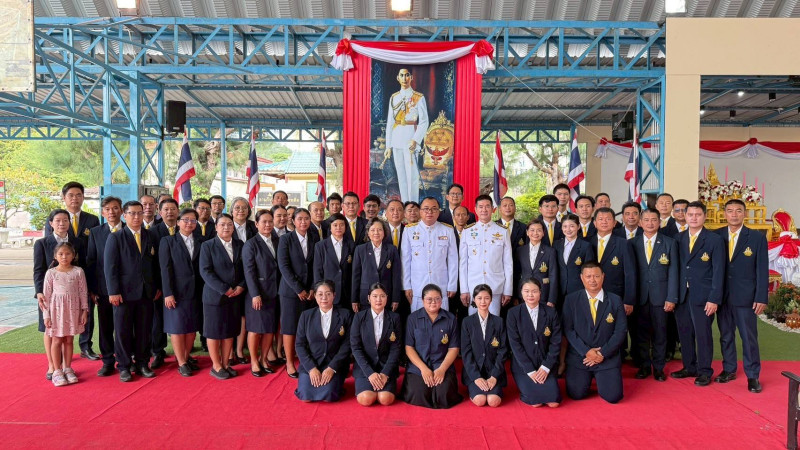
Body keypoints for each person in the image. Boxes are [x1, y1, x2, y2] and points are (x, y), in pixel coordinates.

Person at [715, 199, 768, 393]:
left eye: (738, 211)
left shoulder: (756, 237)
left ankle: (753, 375)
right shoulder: (716, 235)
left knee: (748, 337)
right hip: (722, 296)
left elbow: (762, 269)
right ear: (724, 214)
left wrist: (761, 297)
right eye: (730, 211)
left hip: (746, 296)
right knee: (725, 335)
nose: (734, 214)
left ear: (744, 214)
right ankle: (729, 369)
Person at [104, 201, 161, 382]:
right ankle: (124, 366)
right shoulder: (116, 237)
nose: (136, 217)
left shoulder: (151, 235)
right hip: (123, 294)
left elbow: (156, 265)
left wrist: (157, 287)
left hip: (146, 292)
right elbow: (110, 268)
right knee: (123, 331)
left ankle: (142, 363)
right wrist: (113, 291)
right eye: (132, 213)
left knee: (145, 330)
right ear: (124, 215)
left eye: (139, 213)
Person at [44, 182, 99, 361]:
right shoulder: (55, 218)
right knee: (58, 316)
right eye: (71, 195)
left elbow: (93, 251)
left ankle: (86, 346)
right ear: (64, 197)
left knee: (85, 311)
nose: (75, 198)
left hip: (82, 274)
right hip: (58, 277)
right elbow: (48, 249)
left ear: (83, 197)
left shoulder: (92, 220)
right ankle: (58, 353)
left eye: (78, 195)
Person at [674, 201, 725, 386]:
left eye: (698, 215)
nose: (694, 218)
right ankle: (689, 367)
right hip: (682, 294)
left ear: (705, 216)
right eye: (690, 214)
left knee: (703, 334)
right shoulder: (678, 238)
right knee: (684, 332)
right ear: (685, 216)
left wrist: (714, 298)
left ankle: (704, 371)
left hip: (704, 296)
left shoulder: (714, 240)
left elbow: (719, 271)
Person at [563, 262, 628, 404]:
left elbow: (620, 331)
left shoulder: (615, 300)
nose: (592, 280)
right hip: (581, 357)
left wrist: (602, 353)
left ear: (603, 276)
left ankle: (602, 380)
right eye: (588, 276)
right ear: (581, 278)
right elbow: (568, 330)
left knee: (613, 397)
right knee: (576, 394)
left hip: (606, 357)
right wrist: (586, 351)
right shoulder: (571, 300)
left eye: (596, 276)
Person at [35, 209, 86, 381]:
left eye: (65, 220)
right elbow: (38, 270)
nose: (62, 223)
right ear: (51, 223)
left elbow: (83, 267)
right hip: (50, 296)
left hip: (72, 298)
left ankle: (67, 367)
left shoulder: (77, 242)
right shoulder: (42, 243)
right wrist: (39, 292)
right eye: (58, 220)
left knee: (68, 337)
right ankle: (52, 366)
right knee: (50, 332)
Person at [632, 209, 678, 382]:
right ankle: (644, 366)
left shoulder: (669, 243)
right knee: (641, 334)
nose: (650, 223)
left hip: (661, 297)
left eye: (653, 220)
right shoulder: (632, 243)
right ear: (640, 223)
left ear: (659, 222)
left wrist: (671, 297)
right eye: (646, 220)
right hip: (640, 297)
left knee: (660, 334)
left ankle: (658, 368)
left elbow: (674, 272)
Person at [199, 214, 246, 380]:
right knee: (214, 332)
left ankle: (225, 364)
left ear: (233, 227)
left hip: (235, 296)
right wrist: (224, 289)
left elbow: (245, 269)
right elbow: (205, 271)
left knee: (229, 331)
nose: (226, 227)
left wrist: (241, 285)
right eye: (222, 224)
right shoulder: (207, 246)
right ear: (216, 227)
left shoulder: (240, 244)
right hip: (215, 297)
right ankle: (216, 365)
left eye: (229, 224)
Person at [158, 208, 203, 377]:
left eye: (193, 220)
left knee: (191, 328)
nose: (189, 223)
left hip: (196, 291)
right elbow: (165, 269)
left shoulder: (201, 241)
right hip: (176, 292)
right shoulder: (168, 241)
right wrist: (168, 293)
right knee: (177, 328)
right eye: (186, 220)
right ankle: (182, 363)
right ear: (178, 222)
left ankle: (185, 356)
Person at [402, 284, 462, 409]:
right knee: (418, 393)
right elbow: (409, 348)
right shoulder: (413, 318)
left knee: (443, 394)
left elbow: (454, 348)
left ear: (442, 300)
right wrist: (423, 369)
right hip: (418, 366)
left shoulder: (450, 319)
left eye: (437, 299)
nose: (433, 302)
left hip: (442, 364)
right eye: (429, 299)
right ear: (422, 300)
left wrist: (442, 369)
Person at [294, 280, 353, 403]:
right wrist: (311, 368)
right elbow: (300, 345)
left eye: (328, 294)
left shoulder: (345, 314)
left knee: (329, 395)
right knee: (306, 396)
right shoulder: (306, 316)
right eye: (320, 294)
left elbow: (347, 345)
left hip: (334, 364)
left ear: (334, 295)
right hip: (312, 362)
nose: (324, 298)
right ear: (315, 295)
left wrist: (332, 367)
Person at [507, 278, 562, 407]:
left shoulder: (550, 312)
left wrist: (545, 367)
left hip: (545, 364)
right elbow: (515, 345)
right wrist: (530, 370)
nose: (530, 295)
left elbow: (556, 342)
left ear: (540, 292)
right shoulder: (513, 313)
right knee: (536, 403)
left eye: (534, 291)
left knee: (553, 402)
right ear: (521, 292)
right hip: (524, 366)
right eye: (526, 291)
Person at [592, 207, 637, 364]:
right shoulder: (587, 242)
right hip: (591, 295)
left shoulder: (623, 243)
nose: (604, 222)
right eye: (600, 219)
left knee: (615, 328)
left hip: (615, 295)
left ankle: (617, 360)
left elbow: (630, 274)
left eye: (608, 219)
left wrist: (629, 300)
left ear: (614, 222)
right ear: (594, 223)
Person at [86, 197, 124, 376]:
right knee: (106, 327)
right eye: (107, 209)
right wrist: (93, 290)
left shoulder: (131, 230)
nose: (111, 212)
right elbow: (91, 262)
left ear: (121, 211)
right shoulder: (95, 232)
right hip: (103, 290)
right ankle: (108, 361)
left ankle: (126, 360)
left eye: (115, 208)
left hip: (128, 289)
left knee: (125, 327)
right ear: (102, 212)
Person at [42, 242, 89, 386]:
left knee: (69, 340)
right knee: (57, 340)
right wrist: (46, 315)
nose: (64, 257)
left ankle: (68, 368)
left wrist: (84, 311)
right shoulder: (51, 273)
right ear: (55, 256)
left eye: (68, 254)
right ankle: (57, 370)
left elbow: (83, 292)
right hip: (56, 311)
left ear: (73, 255)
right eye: (61, 254)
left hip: (73, 310)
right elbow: (46, 296)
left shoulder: (78, 271)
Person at [278, 208, 317, 379]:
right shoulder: (285, 239)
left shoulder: (315, 237)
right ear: (293, 221)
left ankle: (306, 361)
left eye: (306, 218)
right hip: (290, 292)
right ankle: (289, 362)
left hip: (310, 292)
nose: (303, 222)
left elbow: (317, 264)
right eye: (299, 219)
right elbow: (284, 266)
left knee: (308, 327)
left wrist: (313, 288)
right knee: (290, 327)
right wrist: (298, 289)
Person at [350, 283, 403, 406]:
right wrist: (370, 373)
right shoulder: (359, 317)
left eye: (382, 296)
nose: (379, 299)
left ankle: (383, 384)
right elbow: (356, 348)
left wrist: (385, 373)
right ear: (369, 298)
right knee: (366, 399)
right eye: (375, 296)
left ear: (387, 298)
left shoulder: (395, 318)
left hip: (386, 367)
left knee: (386, 399)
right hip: (365, 368)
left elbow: (396, 348)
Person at [459, 195, 513, 316]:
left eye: (487, 206)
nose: (484, 210)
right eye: (481, 207)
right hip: (473, 286)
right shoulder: (467, 231)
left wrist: (508, 290)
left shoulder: (503, 231)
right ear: (475, 209)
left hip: (495, 286)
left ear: (493, 209)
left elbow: (508, 263)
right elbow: (463, 264)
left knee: (494, 321)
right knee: (474, 321)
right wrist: (464, 290)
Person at [242, 209, 281, 377]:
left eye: (270, 221)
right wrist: (255, 294)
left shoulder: (278, 240)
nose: (268, 225)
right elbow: (249, 272)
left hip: (275, 293)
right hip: (258, 294)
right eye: (264, 222)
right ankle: (254, 361)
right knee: (255, 329)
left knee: (269, 329)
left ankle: (264, 359)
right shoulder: (251, 244)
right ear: (256, 224)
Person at [402, 197, 458, 312]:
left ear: (439, 212)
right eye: (426, 209)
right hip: (417, 286)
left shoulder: (447, 230)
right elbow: (405, 260)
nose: (429, 212)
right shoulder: (409, 230)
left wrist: (452, 285)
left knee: (442, 319)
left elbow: (453, 260)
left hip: (441, 285)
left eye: (434, 209)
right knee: (419, 319)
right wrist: (406, 286)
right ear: (420, 211)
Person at [385, 68, 429, 203]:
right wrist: (388, 146)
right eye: (402, 75)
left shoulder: (418, 97)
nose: (404, 78)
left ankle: (413, 205)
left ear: (411, 77)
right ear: (398, 78)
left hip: (411, 138)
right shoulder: (394, 97)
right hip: (397, 139)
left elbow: (424, 121)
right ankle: (405, 204)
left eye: (407, 75)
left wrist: (416, 140)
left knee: (412, 176)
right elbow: (390, 122)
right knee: (401, 175)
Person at [460, 285, 507, 407]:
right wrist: (476, 377)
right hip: (475, 372)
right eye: (479, 298)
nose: (483, 301)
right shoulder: (467, 322)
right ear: (474, 299)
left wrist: (494, 376)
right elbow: (466, 352)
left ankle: (493, 385)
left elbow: (503, 351)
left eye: (486, 298)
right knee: (480, 400)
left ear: (491, 300)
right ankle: (475, 387)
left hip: (494, 371)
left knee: (493, 401)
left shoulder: (499, 322)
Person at [150, 198, 180, 369]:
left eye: (173, 209)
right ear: (160, 212)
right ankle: (158, 351)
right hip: (159, 286)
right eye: (166, 209)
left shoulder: (185, 228)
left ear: (178, 211)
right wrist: (156, 286)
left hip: (182, 284)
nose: (170, 212)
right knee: (157, 320)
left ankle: (182, 353)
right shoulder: (152, 232)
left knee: (181, 317)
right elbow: (150, 263)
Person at [352, 218, 402, 312]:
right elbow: (356, 276)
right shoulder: (360, 250)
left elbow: (396, 276)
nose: (376, 233)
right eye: (373, 230)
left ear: (384, 232)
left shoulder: (392, 250)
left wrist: (396, 298)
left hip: (386, 296)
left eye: (379, 230)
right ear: (368, 233)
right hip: (366, 296)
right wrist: (354, 299)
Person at [554, 214, 595, 312]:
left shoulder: (586, 246)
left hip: (578, 290)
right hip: (558, 290)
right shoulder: (556, 245)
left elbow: (589, 271)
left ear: (578, 226)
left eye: (572, 226)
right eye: (565, 226)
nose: (568, 229)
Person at [313, 213, 354, 309]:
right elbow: (317, 271)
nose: (338, 228)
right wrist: (319, 293)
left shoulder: (351, 245)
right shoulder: (320, 246)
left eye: (341, 225)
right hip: (328, 293)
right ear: (330, 228)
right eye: (335, 225)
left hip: (347, 293)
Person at [514, 219, 558, 307]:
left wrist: (551, 299)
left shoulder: (550, 251)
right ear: (527, 232)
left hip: (543, 294)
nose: (535, 233)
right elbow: (516, 274)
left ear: (543, 233)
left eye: (539, 230)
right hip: (524, 295)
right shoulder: (520, 251)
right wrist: (515, 296)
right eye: (532, 230)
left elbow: (553, 276)